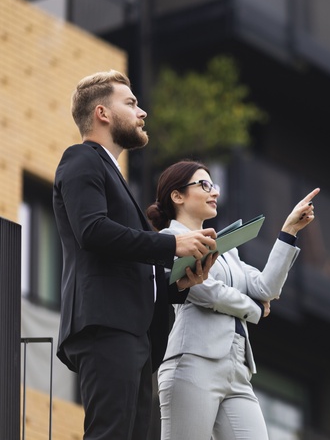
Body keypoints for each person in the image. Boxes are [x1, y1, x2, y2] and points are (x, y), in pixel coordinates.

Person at [53, 70, 219, 440]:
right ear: (102, 114)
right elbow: (92, 231)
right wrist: (171, 245)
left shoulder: (114, 175)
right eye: (130, 103)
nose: (142, 112)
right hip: (107, 324)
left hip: (134, 332)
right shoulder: (81, 159)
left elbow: (135, 263)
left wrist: (182, 283)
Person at [146, 160, 319, 440]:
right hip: (193, 362)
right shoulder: (171, 239)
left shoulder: (226, 249)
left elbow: (265, 288)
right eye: (204, 185)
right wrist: (251, 308)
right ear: (177, 196)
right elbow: (204, 290)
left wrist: (288, 232)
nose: (214, 191)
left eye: (213, 185)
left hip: (237, 369)